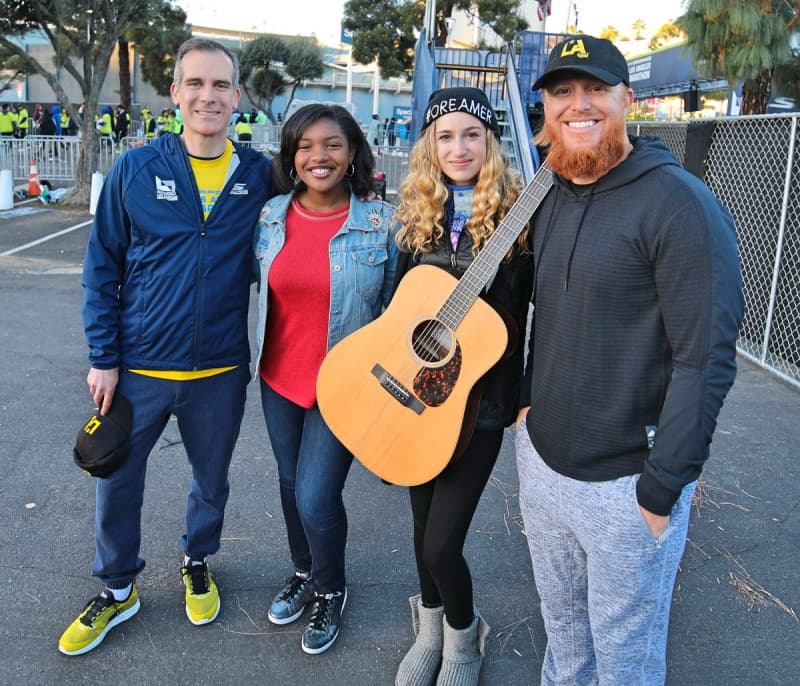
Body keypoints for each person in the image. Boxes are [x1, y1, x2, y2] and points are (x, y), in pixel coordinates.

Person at [515, 36, 744, 685]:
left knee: (625, 663)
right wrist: (528, 408)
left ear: (628, 100)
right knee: (563, 643)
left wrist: (660, 490)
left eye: (595, 89)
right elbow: (546, 315)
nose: (577, 105)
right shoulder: (549, 191)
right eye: (562, 91)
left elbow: (705, 360)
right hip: (544, 467)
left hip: (626, 487)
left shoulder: (679, 205)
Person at [58, 37, 275, 657]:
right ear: (176, 93)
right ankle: (118, 587)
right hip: (139, 369)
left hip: (221, 370)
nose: (208, 96)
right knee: (117, 481)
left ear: (238, 98)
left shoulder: (259, 175)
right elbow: (102, 268)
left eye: (221, 86)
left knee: (212, 479)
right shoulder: (136, 169)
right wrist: (103, 356)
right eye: (195, 84)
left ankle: (197, 558)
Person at [392, 87, 533, 686]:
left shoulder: (519, 217)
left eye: (471, 135)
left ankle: (465, 636)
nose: (458, 147)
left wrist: (525, 393)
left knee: (441, 543)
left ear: (491, 143)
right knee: (423, 531)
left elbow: (536, 314)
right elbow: (397, 314)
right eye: (445, 136)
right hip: (416, 398)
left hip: (482, 405)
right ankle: (431, 630)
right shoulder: (416, 216)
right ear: (429, 145)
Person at [253, 103, 398, 655]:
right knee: (290, 487)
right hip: (278, 376)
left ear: (354, 152)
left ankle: (330, 589)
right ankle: (304, 569)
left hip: (344, 384)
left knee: (316, 495)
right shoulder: (269, 217)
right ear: (291, 155)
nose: (320, 156)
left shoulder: (382, 224)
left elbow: (395, 312)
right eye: (307, 145)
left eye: (333, 144)